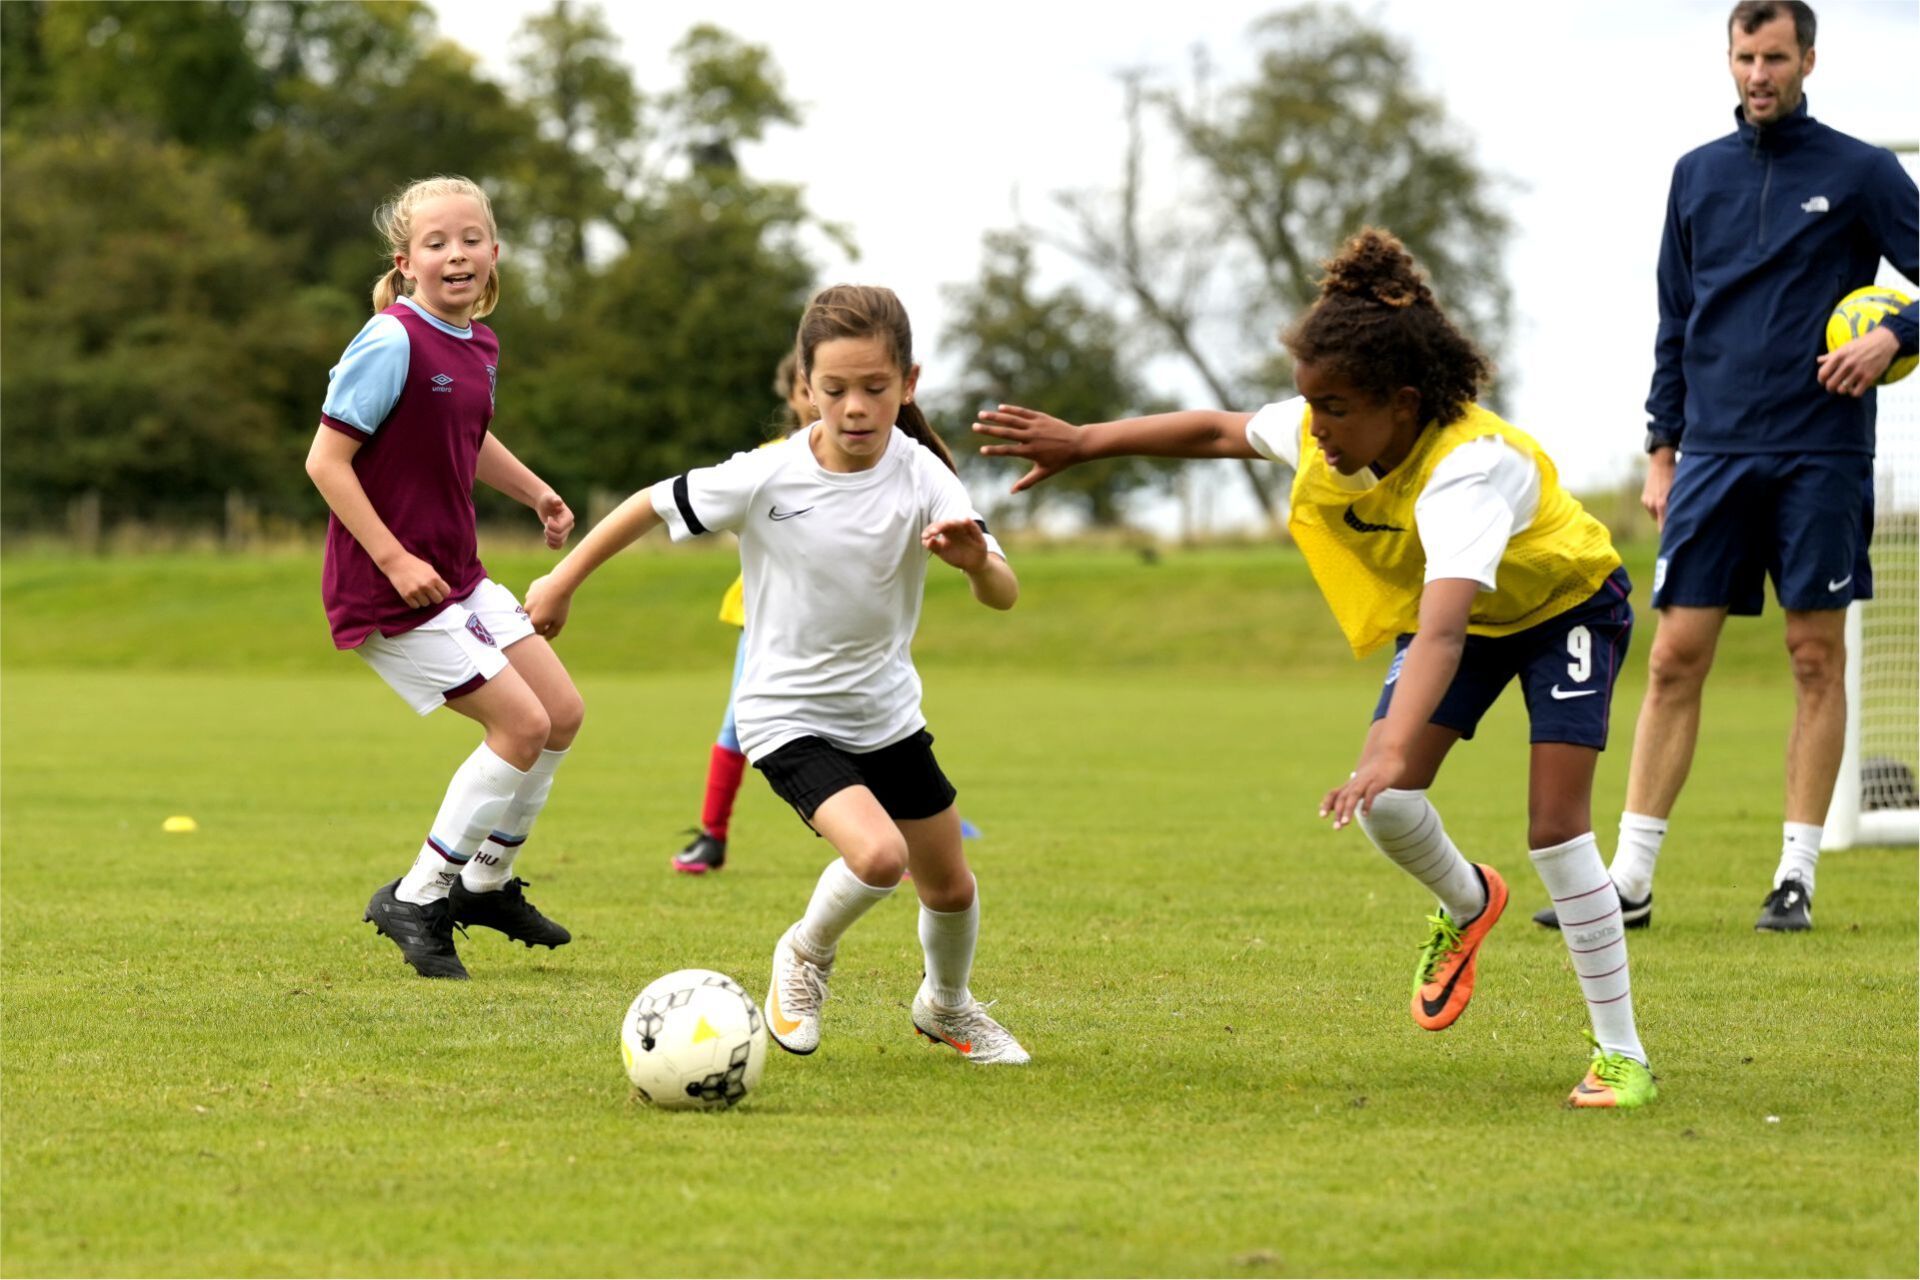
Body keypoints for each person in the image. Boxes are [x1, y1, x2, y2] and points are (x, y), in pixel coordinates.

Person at [977, 228, 1657, 1107]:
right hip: (1461, 618)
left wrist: (1388, 746)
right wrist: (1084, 441)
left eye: (1333, 408)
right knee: (1388, 804)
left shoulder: (1468, 471)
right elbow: (1217, 429)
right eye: (1308, 404)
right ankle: (1468, 901)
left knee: (1556, 830)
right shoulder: (1321, 428)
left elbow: (1442, 635)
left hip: (1565, 606)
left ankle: (1622, 1057)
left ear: (1402, 403)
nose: (1315, 427)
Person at [528, 285, 1030, 1064]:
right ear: (806, 386)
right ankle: (804, 953)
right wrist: (562, 582)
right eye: (835, 389)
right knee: (879, 858)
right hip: (785, 716)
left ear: (909, 383)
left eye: (875, 388)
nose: (855, 407)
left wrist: (975, 564)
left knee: (952, 889)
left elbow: (1003, 593)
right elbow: (649, 504)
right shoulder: (769, 474)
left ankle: (946, 1005)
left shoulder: (926, 476)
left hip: (887, 716)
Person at [1533, 0, 1918, 936]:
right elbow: (1675, 319)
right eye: (1746, 57)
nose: (1759, 74)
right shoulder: (1695, 174)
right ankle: (1630, 880)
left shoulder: (1863, 171)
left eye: (1775, 57)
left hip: (1822, 452)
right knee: (1673, 658)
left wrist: (1896, 336)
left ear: (1808, 60)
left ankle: (1795, 877)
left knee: (1814, 657)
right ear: (1730, 58)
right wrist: (1662, 449)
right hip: (1711, 455)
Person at [305, 175, 584, 980]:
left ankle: (485, 884)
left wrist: (535, 492)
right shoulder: (391, 340)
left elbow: (467, 434)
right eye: (436, 243)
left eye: (469, 239)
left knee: (561, 715)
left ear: (494, 252)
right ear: (406, 263)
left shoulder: (478, 345)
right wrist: (394, 557)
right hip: (390, 589)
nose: (455, 254)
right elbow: (326, 461)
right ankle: (418, 896)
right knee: (520, 726)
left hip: (459, 577)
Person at [672, 353, 815, 874]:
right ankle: (712, 836)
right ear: (792, 396)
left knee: (862, 725)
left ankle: (900, 833)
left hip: (840, 623)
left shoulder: (876, 461)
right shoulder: (769, 461)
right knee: (737, 724)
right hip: (765, 619)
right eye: (807, 388)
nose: (818, 400)